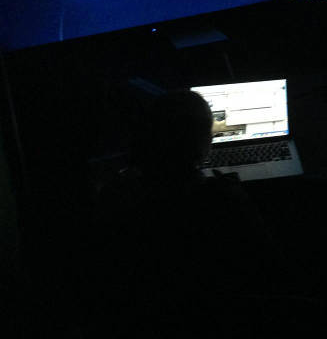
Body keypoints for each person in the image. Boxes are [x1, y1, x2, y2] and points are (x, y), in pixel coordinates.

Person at [87, 90, 287, 336]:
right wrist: (238, 198)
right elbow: (269, 264)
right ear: (204, 145)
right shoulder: (223, 202)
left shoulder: (115, 197)